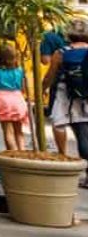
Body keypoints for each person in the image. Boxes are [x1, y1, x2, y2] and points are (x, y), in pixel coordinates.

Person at [43, 19, 88, 157]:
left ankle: (63, 155)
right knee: (83, 131)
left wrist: (42, 88)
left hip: (65, 96)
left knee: (58, 124)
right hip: (86, 95)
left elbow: (50, 76)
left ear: (68, 35)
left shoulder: (61, 53)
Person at [0, 40, 30, 152]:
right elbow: (24, 89)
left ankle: (12, 154)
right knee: (19, 132)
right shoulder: (19, 71)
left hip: (3, 101)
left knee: (7, 132)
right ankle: (22, 153)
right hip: (18, 100)